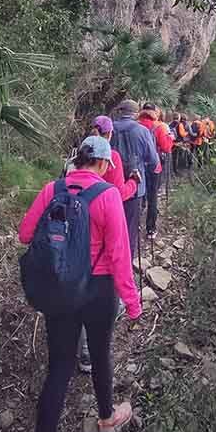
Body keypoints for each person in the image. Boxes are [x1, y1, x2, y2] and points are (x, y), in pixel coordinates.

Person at [17, 135, 141, 432]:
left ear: (78, 160)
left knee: (58, 371)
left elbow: (25, 234)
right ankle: (106, 421)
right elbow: (120, 257)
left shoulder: (51, 189)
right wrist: (133, 305)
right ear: (104, 164)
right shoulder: (107, 196)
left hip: (61, 291)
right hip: (99, 291)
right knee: (101, 356)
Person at [76, 115, 140, 373]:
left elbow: (27, 232)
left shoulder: (74, 158)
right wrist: (134, 183)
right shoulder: (108, 159)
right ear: (109, 133)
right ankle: (90, 354)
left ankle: (78, 351)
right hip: (98, 249)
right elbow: (118, 193)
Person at [111, 99, 159, 259]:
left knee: (111, 227)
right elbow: (153, 160)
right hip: (135, 187)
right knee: (130, 230)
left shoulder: (110, 129)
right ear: (136, 113)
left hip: (110, 185)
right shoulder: (142, 131)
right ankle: (126, 267)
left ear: (120, 111)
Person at [137, 103, 173, 239]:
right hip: (154, 166)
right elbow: (166, 148)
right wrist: (170, 139)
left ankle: (136, 224)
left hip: (137, 166)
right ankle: (150, 229)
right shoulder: (160, 126)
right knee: (153, 197)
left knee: (139, 195)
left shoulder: (135, 125)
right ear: (155, 112)